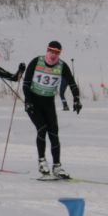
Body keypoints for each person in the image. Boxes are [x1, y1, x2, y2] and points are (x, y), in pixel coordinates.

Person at [23, 40, 81, 178]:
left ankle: (57, 166)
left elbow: (72, 83)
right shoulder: (37, 61)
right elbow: (26, 83)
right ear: (47, 50)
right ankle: (42, 162)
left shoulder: (62, 65)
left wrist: (76, 99)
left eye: (57, 52)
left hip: (48, 102)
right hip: (34, 101)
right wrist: (28, 101)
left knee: (54, 132)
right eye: (51, 51)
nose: (53, 55)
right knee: (42, 128)